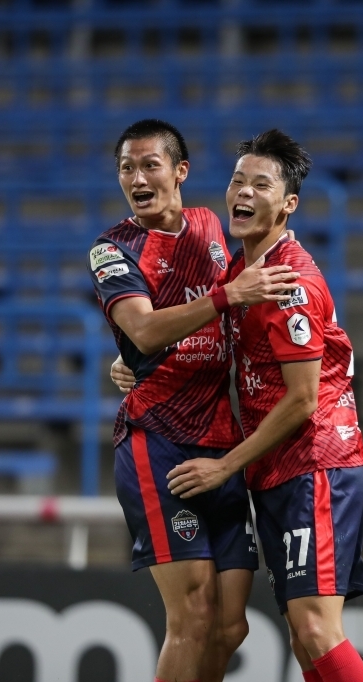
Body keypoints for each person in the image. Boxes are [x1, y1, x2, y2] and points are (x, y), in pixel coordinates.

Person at [90, 119, 300, 682]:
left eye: (150, 165)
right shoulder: (112, 250)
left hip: (220, 441)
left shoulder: (211, 224)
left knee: (231, 627)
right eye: (127, 168)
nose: (138, 177)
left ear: (179, 171)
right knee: (194, 615)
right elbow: (145, 331)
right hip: (157, 442)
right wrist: (221, 298)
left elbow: (253, 286)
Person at [166, 130, 363, 682]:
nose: (244, 192)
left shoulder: (292, 283)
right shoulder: (243, 274)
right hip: (278, 470)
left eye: (261, 184)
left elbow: (304, 400)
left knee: (315, 630)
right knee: (305, 640)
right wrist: (133, 368)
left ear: (288, 205)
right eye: (238, 180)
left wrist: (225, 464)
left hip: (316, 464)